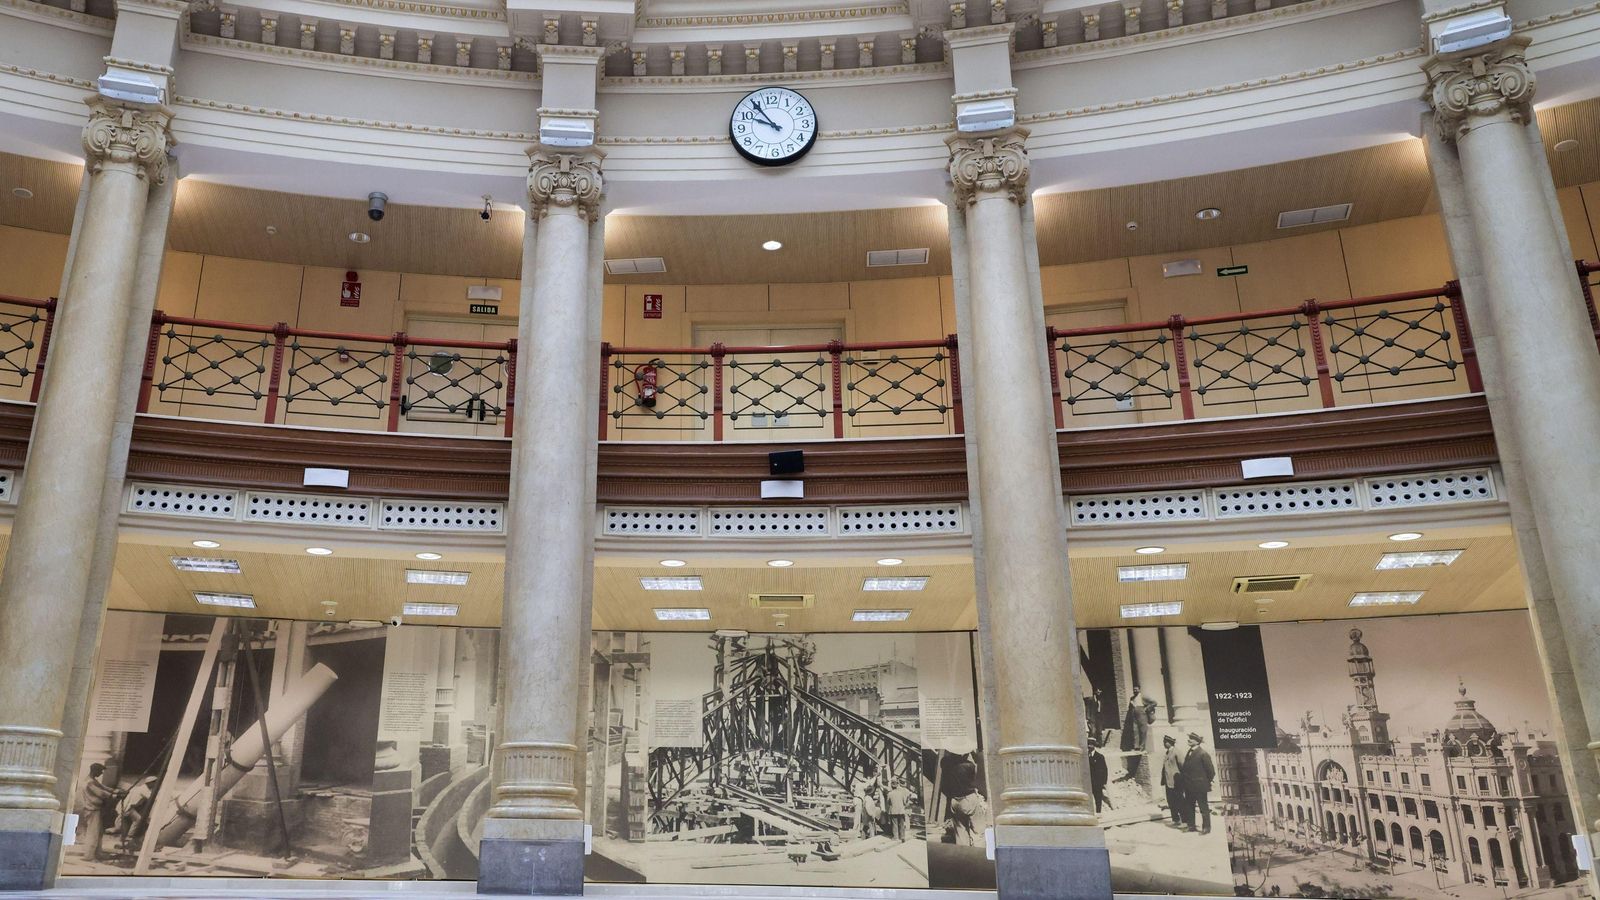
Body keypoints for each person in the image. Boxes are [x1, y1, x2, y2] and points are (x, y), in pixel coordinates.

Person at [76, 763, 117, 862]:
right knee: (93, 833)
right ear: (95, 770)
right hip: (92, 810)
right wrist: (115, 796)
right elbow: (101, 793)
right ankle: (89, 856)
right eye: (100, 771)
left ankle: (98, 853)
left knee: (99, 833)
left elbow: (105, 788)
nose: (101, 773)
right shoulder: (89, 783)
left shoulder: (93, 781)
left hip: (96, 809)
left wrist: (117, 791)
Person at [1178, 731, 1216, 834]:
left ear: (1197, 741)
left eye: (1191, 738)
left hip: (1200, 786)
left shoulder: (1203, 753)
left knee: (1203, 807)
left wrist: (1205, 782)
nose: (1189, 740)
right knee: (1189, 806)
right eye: (1189, 738)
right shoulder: (1189, 751)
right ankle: (1191, 826)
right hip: (1189, 786)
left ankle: (1206, 828)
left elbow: (1211, 771)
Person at [1117, 686, 1158, 781]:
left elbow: (1154, 703)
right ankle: (1136, 746)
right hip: (1134, 716)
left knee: (1143, 730)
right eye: (1134, 689)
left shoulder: (1143, 697)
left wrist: (1146, 708)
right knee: (1135, 731)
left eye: (1136, 689)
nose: (1135, 690)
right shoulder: (1132, 698)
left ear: (1139, 689)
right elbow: (1130, 707)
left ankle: (1142, 746)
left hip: (1142, 714)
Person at [112, 776, 158, 850]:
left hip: (128, 806)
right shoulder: (144, 790)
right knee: (138, 820)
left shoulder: (140, 787)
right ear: (150, 783)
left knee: (126, 822)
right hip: (128, 807)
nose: (156, 785)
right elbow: (153, 798)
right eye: (154, 783)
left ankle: (123, 838)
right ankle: (130, 837)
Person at [1160, 734, 1187, 827]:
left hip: (1176, 781)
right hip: (1168, 782)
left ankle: (1185, 821)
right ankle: (1175, 819)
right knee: (1171, 801)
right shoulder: (1167, 752)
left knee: (1180, 801)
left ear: (1170, 743)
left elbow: (1183, 765)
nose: (1163, 744)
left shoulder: (1176, 752)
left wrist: (1183, 780)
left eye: (1165, 742)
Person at [1087, 737, 1111, 813]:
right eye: (1088, 744)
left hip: (1097, 783)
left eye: (1091, 745)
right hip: (1088, 783)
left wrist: (1104, 782)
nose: (1089, 746)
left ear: (1094, 746)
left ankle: (1098, 813)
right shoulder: (1085, 756)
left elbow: (1105, 770)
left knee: (1098, 799)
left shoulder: (1100, 757)